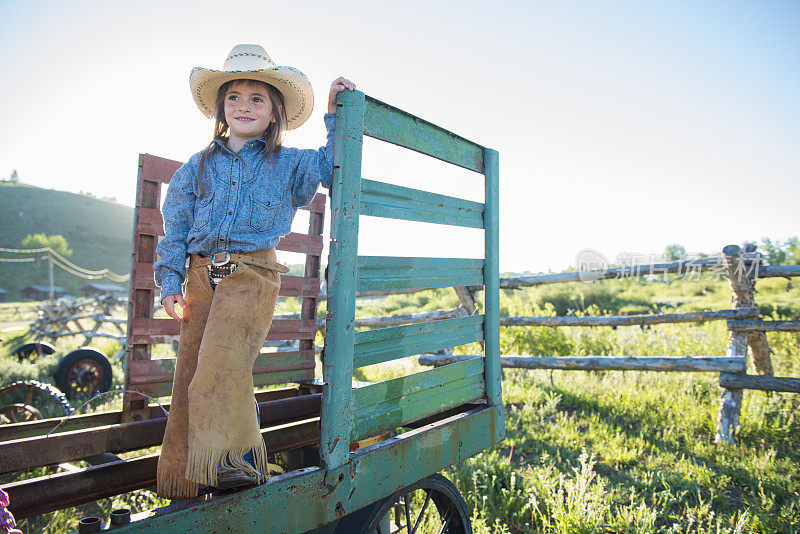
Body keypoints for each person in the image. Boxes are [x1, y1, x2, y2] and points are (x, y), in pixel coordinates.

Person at [153, 44, 355, 499]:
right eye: (234, 97)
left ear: (275, 111)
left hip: (253, 274)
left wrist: (334, 113)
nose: (244, 106)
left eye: (256, 98)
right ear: (222, 109)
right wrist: (169, 283)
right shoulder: (196, 167)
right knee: (190, 375)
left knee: (219, 367)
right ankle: (187, 477)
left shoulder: (287, 163)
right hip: (201, 275)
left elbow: (330, 163)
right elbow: (176, 229)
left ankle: (235, 466)